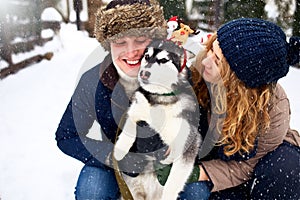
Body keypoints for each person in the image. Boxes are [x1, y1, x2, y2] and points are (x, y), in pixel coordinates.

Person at [55, 0, 204, 199]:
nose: (131, 51)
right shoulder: (93, 81)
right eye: (120, 42)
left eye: (140, 40)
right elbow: (67, 135)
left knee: (197, 191)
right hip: (119, 162)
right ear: (108, 45)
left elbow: (204, 127)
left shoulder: (179, 75)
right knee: (92, 187)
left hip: (169, 163)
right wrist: (114, 156)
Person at [190, 18, 300, 199]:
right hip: (212, 156)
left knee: (286, 167)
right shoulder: (199, 67)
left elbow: (246, 165)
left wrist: (198, 173)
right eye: (211, 49)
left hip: (248, 167)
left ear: (238, 81)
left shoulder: (274, 111)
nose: (205, 61)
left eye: (217, 61)